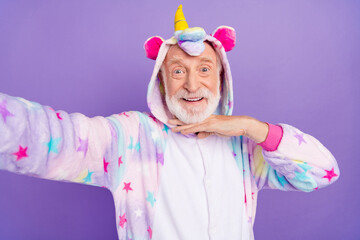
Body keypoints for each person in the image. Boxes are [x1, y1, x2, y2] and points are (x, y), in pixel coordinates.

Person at [0, 5, 339, 240]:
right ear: (161, 83)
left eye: (204, 69)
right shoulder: (131, 136)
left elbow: (323, 171)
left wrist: (252, 127)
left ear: (221, 78)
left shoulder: (245, 146)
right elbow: (55, 136)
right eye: (179, 72)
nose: (193, 86)